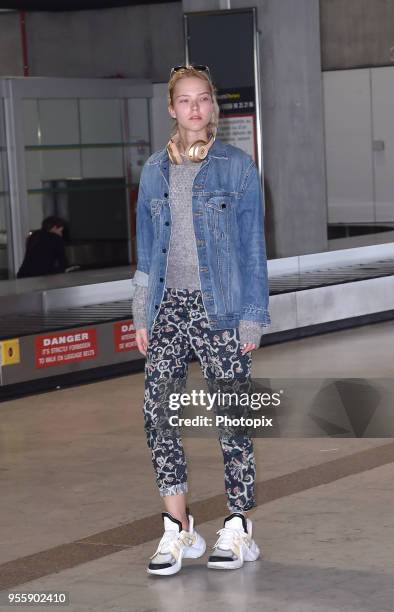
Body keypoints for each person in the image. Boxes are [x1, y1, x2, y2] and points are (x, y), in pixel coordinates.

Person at [131, 64, 271, 576]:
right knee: (158, 414)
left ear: (214, 107)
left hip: (221, 309)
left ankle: (238, 526)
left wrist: (252, 317)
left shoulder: (237, 167)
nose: (195, 108)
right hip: (169, 306)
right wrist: (141, 311)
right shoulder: (153, 171)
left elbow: (254, 248)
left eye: (203, 99)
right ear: (172, 109)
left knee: (231, 414)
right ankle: (178, 529)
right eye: (185, 100)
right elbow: (147, 250)